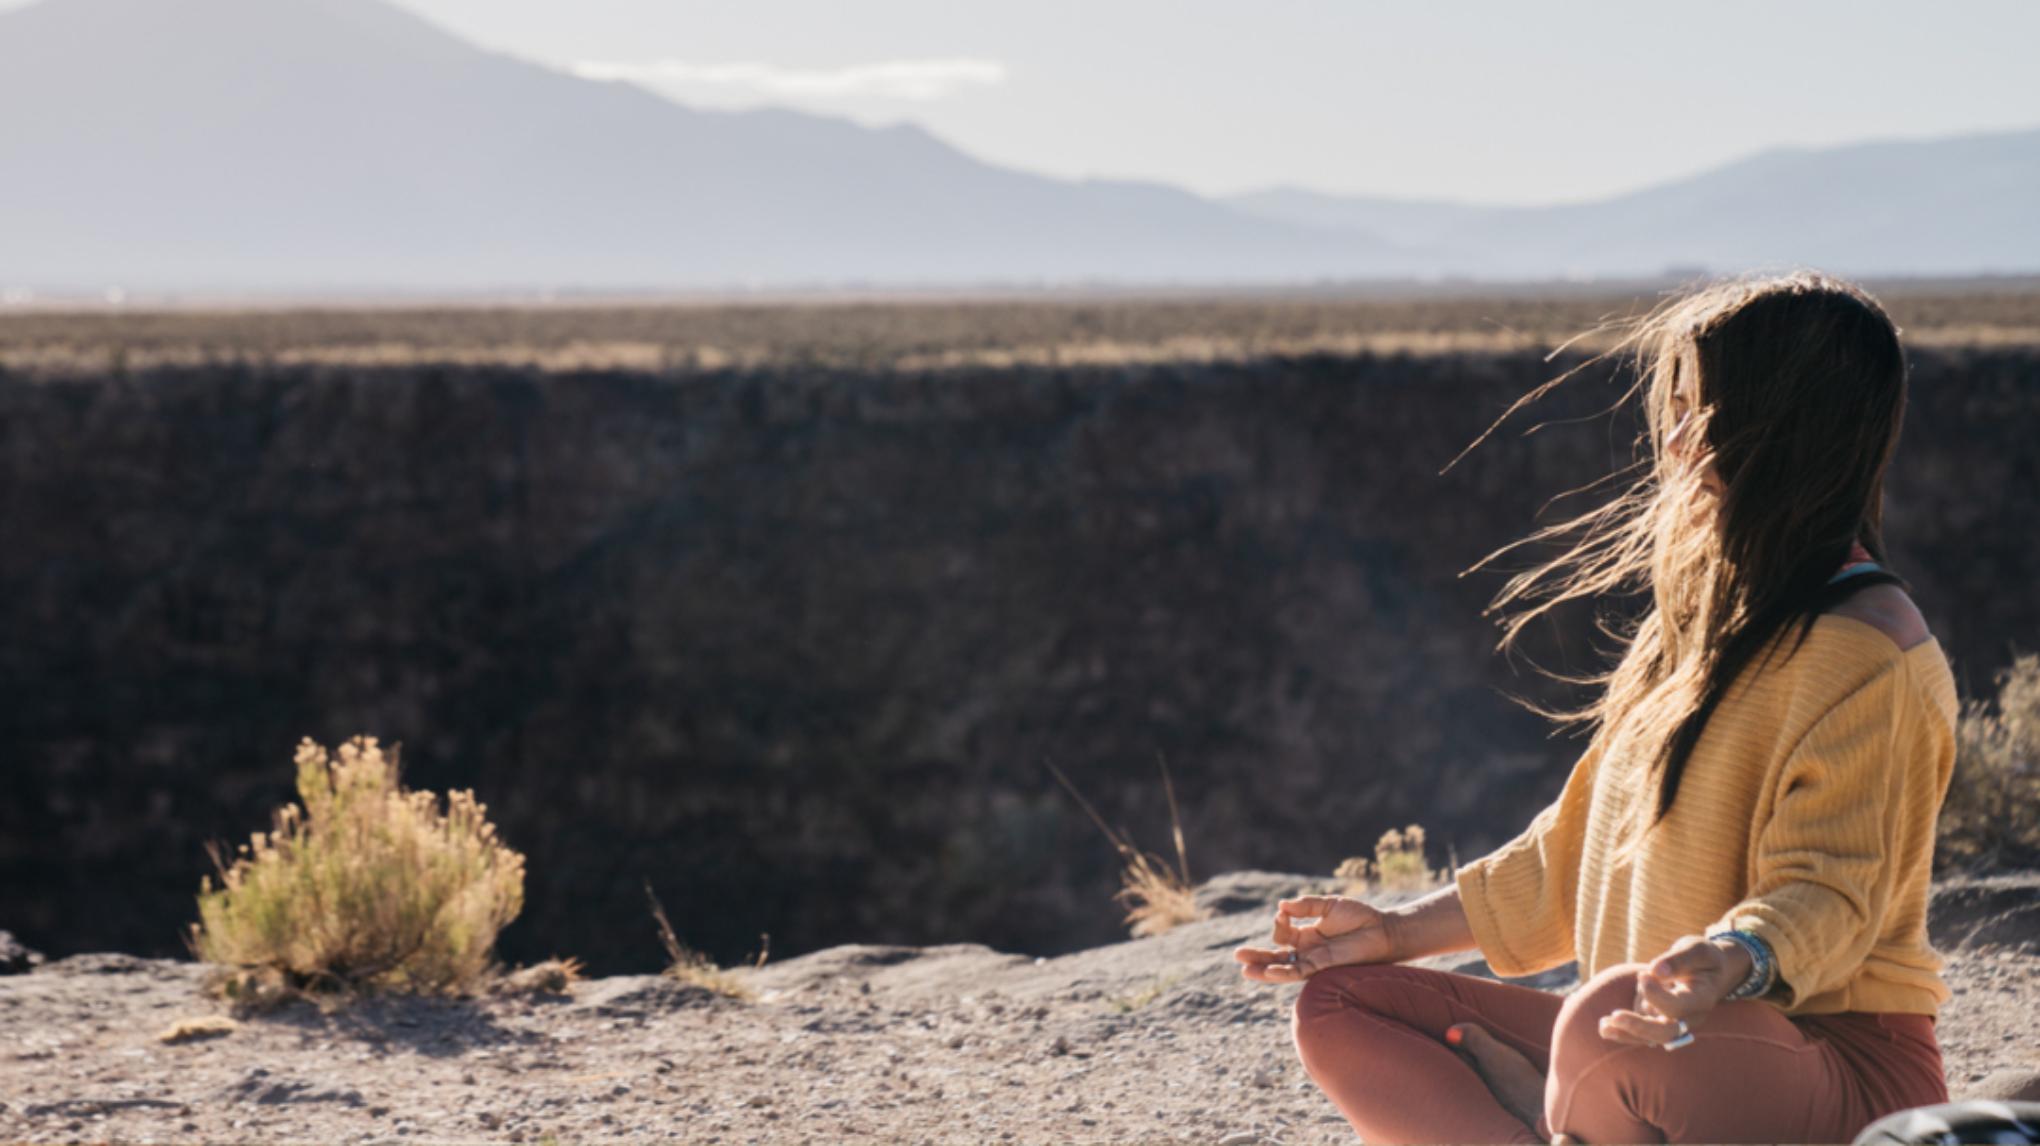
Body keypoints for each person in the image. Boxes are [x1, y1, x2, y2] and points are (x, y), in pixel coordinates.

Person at [1234, 270, 1960, 1145]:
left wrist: (1735, 958)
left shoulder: (1870, 649)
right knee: (1342, 1005)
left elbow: (1831, 891)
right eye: (1679, 407)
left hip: (1835, 1064)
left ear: (1789, 427)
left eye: (1707, 409)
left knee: (1602, 1024)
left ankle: (1557, 1116)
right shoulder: (1696, 628)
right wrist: (1390, 933)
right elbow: (1578, 853)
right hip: (1640, 1039)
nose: (1678, 439)